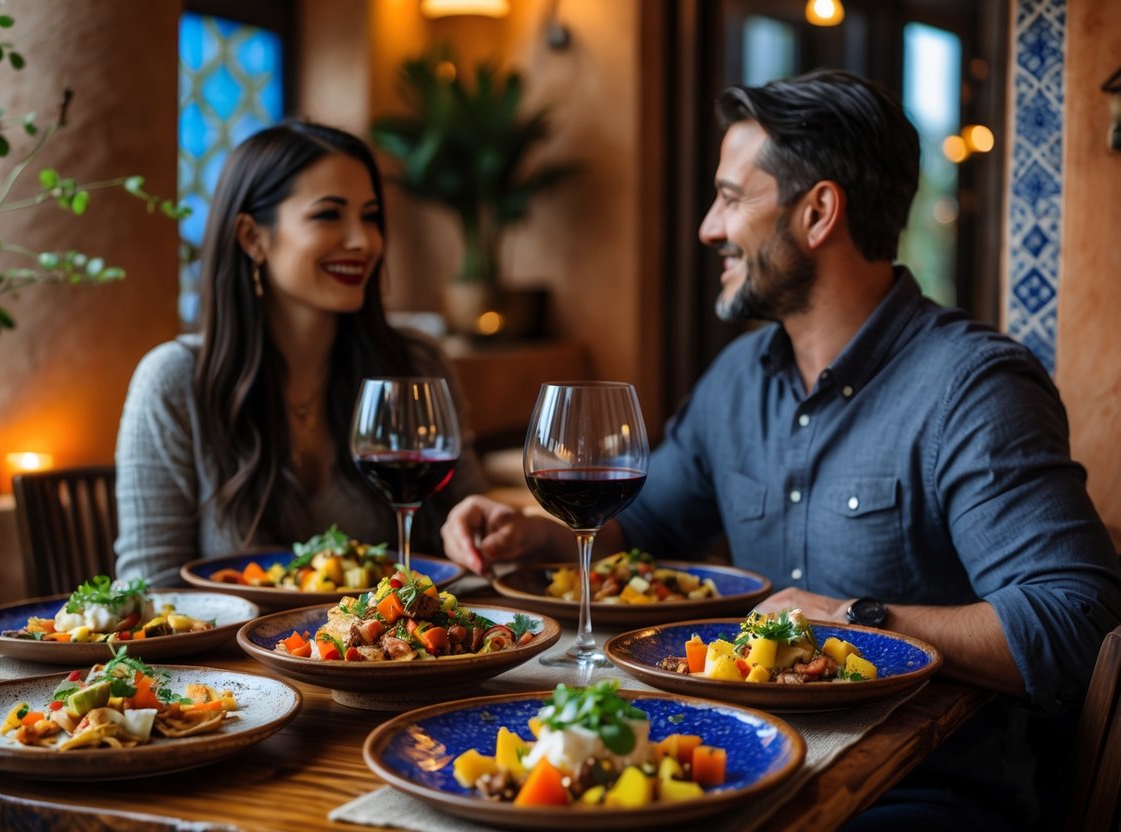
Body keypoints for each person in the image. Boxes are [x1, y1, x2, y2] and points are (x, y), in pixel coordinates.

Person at [441, 70, 1121, 829]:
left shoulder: (972, 388)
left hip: (918, 793)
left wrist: (850, 616)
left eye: (730, 198)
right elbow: (653, 521)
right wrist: (538, 533)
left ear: (818, 212)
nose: (707, 227)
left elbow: (1076, 622)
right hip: (734, 767)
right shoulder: (737, 376)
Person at [115, 121, 487, 586]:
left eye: (370, 216)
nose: (363, 241)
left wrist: (492, 529)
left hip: (395, 653)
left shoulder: (417, 365)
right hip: (231, 659)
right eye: (329, 215)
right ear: (253, 237)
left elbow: (474, 540)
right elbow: (151, 585)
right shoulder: (173, 381)